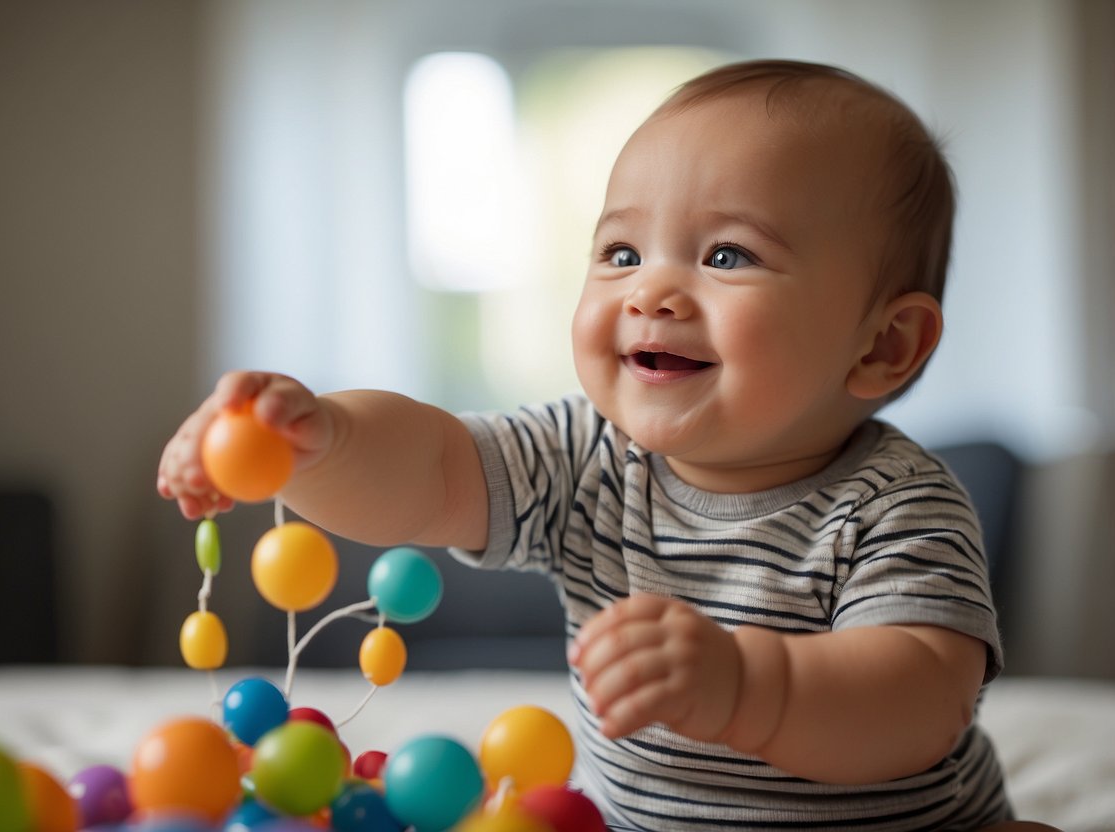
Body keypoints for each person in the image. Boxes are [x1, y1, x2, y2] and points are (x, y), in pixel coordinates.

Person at [158, 60, 1056, 831]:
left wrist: (746, 685)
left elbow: (919, 700)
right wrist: (321, 439)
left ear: (881, 345)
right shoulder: (585, 454)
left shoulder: (899, 501)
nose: (651, 291)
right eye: (621, 253)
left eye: (728, 256)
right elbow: (431, 472)